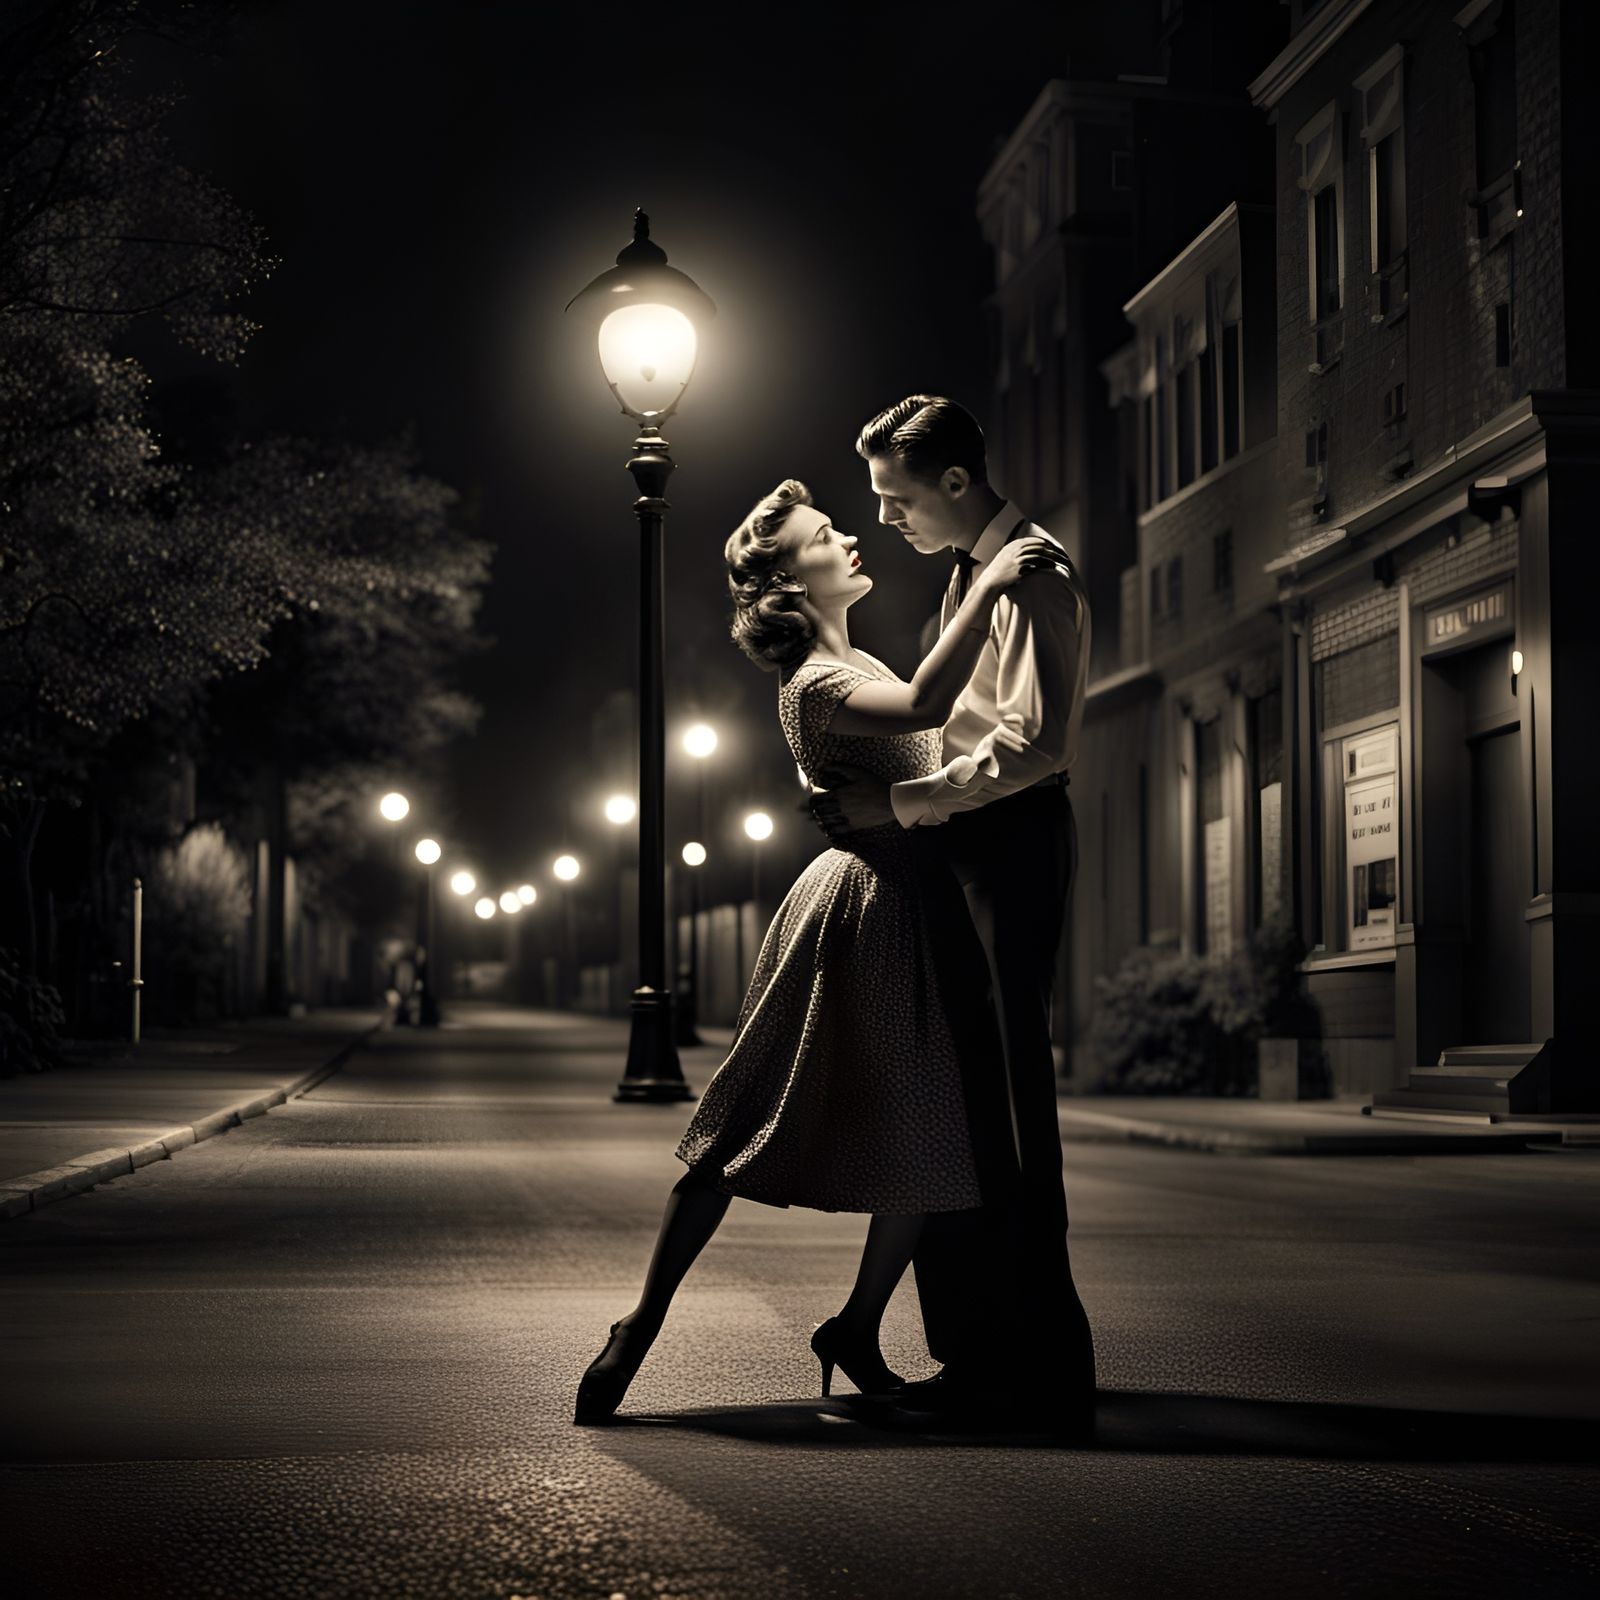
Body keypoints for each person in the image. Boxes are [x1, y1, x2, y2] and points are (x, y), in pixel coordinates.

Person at [573, 478, 1070, 1426]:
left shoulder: (859, 660)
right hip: (859, 917)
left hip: (914, 912)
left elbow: (946, 719)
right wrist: (993, 580)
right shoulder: (818, 683)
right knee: (746, 1124)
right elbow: (928, 701)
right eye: (823, 535)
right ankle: (639, 1326)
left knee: (932, 1139)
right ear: (789, 585)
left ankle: (855, 1325)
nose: (849, 537)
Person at [811, 394, 1096, 1438]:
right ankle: (980, 1348)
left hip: (1006, 847)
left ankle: (1036, 1357)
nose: (885, 516)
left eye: (895, 496)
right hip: (970, 846)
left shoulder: (1032, 573)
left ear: (955, 482)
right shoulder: (972, 575)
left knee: (1005, 1102)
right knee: (958, 1100)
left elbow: (1031, 747)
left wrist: (897, 802)